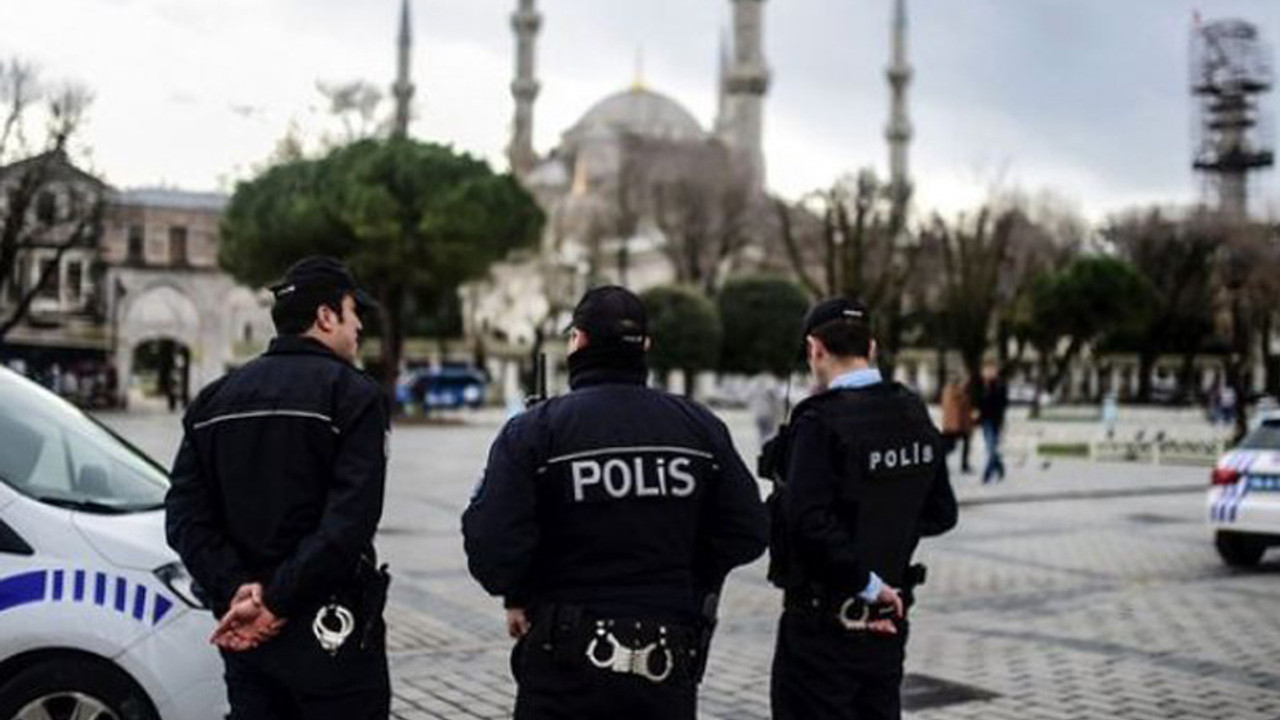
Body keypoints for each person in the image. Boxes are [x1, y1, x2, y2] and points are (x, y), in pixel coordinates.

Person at [462, 285, 769, 720]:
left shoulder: (535, 431)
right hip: (665, 663)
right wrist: (685, 570)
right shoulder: (699, 427)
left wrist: (524, 590)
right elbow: (748, 531)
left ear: (577, 342)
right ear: (645, 346)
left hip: (564, 667)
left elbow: (492, 549)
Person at [165, 256, 392, 720]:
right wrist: (275, 601)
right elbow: (348, 523)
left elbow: (185, 519)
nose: (360, 327)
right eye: (354, 313)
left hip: (247, 636)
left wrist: (238, 591)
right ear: (326, 317)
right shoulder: (353, 395)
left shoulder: (213, 400)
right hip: (331, 633)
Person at [763, 297, 957, 720]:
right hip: (889, 619)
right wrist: (884, 536)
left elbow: (806, 521)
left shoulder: (817, 421)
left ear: (815, 349)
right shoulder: (912, 410)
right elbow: (942, 512)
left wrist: (863, 579)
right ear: (871, 348)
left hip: (824, 626)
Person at [977, 363, 1008, 484]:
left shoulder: (998, 386)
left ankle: (987, 475)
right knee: (991, 448)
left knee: (991, 449)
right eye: (986, 370)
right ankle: (999, 467)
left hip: (995, 421)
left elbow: (1001, 404)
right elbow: (979, 403)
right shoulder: (982, 386)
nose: (987, 372)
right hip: (985, 421)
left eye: (990, 370)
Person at [939, 373, 974, 474]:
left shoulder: (948, 391)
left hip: (954, 425)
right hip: (955, 425)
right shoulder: (955, 392)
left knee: (961, 444)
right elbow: (960, 407)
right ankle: (942, 464)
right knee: (950, 447)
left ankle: (964, 465)